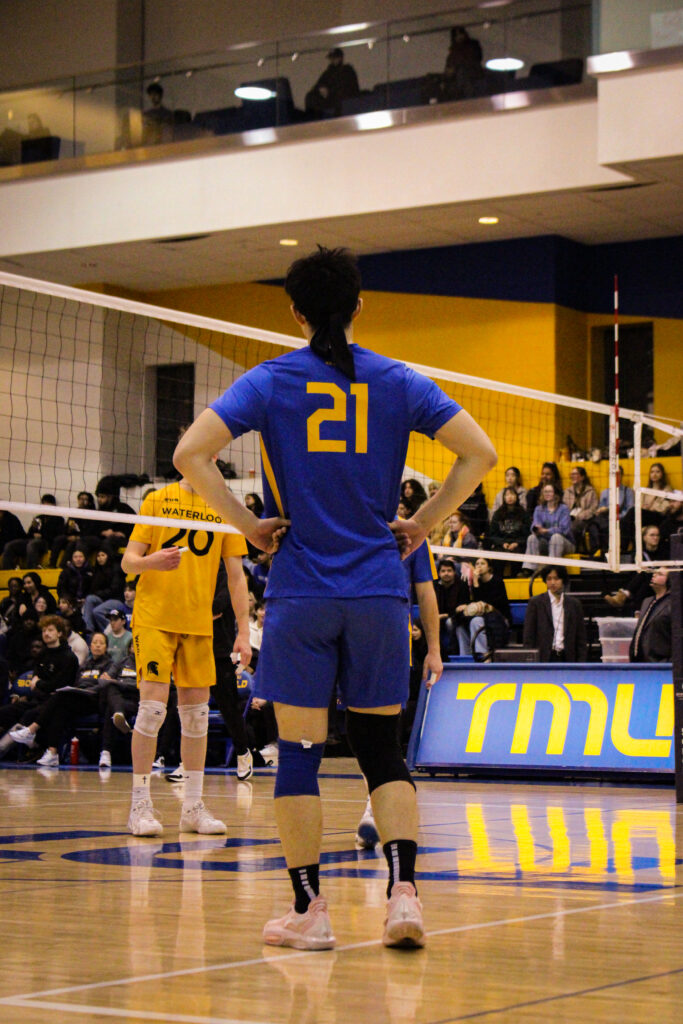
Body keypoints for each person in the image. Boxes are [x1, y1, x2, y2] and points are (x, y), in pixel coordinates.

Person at [173, 245, 496, 950]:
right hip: (380, 591)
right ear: (358, 307)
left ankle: (309, 913)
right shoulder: (399, 380)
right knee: (383, 751)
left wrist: (248, 527)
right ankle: (403, 896)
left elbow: (189, 455)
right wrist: (423, 523)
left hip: (302, 593)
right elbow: (479, 454)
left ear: (293, 312)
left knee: (298, 752)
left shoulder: (269, 381)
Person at [120, 474, 249, 838]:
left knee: (196, 717)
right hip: (155, 618)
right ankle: (139, 806)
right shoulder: (158, 500)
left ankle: (192, 807)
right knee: (152, 709)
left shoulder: (222, 505)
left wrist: (242, 631)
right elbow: (129, 562)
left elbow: (237, 576)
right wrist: (152, 562)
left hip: (198, 623)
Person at [7, 632, 113, 766]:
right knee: (60, 709)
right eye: (95, 642)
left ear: (106, 647)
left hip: (95, 700)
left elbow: (105, 685)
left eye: (101, 643)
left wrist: (88, 691)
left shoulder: (110, 665)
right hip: (77, 697)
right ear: (90, 646)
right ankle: (52, 753)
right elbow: (76, 682)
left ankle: (31, 730)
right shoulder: (85, 665)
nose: (97, 645)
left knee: (60, 697)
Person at [522, 565, 587, 661]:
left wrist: (581, 662)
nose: (552, 582)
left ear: (563, 580)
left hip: (567, 658)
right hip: (543, 658)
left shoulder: (574, 605)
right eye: (549, 579)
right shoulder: (536, 603)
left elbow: (581, 637)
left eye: (556, 579)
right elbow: (529, 635)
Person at [455, 556, 510, 659]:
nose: (479, 566)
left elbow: (487, 605)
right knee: (460, 626)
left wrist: (476, 583)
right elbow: (471, 603)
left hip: (496, 617)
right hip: (480, 616)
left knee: (476, 621)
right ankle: (465, 657)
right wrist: (464, 606)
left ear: (489, 567)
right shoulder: (470, 582)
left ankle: (482, 655)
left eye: (482, 563)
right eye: (477, 564)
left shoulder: (497, 582)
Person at [521, 483, 574, 574]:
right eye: (545, 491)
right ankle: (530, 569)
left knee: (556, 537)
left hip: (565, 543)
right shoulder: (539, 509)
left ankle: (552, 568)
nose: (547, 494)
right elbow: (534, 525)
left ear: (556, 494)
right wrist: (536, 529)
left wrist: (547, 530)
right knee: (532, 538)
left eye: (549, 491)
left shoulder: (563, 509)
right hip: (546, 543)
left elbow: (564, 530)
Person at [1, 494, 64, 569]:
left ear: (53, 505)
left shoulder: (59, 519)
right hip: (32, 540)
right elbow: (29, 534)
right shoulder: (38, 518)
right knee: (10, 545)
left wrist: (42, 536)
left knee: (32, 544)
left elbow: (57, 536)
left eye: (48, 504)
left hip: (46, 543)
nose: (45, 506)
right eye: (44, 504)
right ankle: (7, 570)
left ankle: (30, 569)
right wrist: (33, 533)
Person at [629, 568, 671, 663]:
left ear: (670, 580)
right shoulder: (647, 601)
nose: (654, 575)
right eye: (654, 573)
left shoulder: (673, 603)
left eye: (659, 574)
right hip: (639, 660)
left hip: (660, 661)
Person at [305, 48, 360, 118]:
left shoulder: (347, 70)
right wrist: (321, 89)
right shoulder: (327, 73)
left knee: (339, 99)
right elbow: (318, 84)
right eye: (331, 58)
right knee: (310, 97)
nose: (333, 60)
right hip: (329, 100)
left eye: (335, 57)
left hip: (343, 100)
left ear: (340, 58)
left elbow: (348, 87)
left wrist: (330, 91)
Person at [595, 465, 634, 554]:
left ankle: (620, 551)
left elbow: (630, 510)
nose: (615, 476)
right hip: (606, 520)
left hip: (622, 520)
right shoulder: (604, 493)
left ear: (621, 476)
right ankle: (600, 551)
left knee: (623, 523)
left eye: (618, 474)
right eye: (612, 474)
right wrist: (601, 510)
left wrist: (615, 516)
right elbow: (600, 508)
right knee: (597, 523)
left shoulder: (628, 492)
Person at [563, 466, 599, 553]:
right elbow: (564, 507)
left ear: (582, 477)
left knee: (572, 526)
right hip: (569, 518)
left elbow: (593, 508)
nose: (572, 476)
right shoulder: (567, 491)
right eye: (571, 474)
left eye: (575, 474)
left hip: (585, 519)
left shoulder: (590, 491)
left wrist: (580, 516)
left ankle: (572, 548)